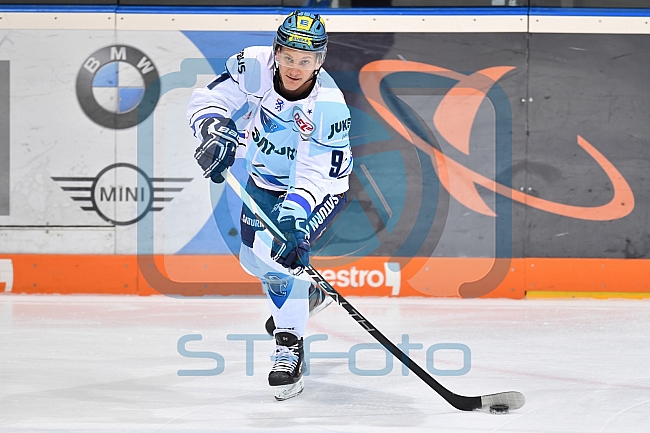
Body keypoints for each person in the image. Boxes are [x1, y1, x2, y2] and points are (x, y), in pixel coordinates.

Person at [187, 10, 353, 401]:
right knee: (253, 259)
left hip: (318, 189)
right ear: (276, 51)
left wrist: (295, 218)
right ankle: (308, 297)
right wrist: (213, 127)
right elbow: (211, 98)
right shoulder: (254, 67)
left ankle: (289, 349)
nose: (295, 67)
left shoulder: (328, 106)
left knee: (278, 258)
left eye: (306, 59)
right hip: (263, 180)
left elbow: (315, 174)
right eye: (289, 55)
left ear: (320, 61)